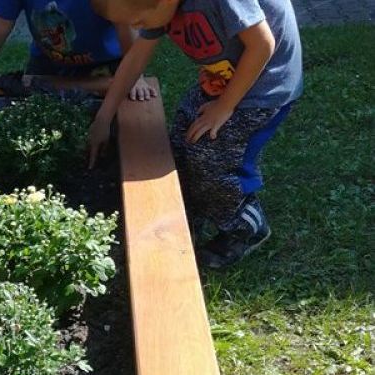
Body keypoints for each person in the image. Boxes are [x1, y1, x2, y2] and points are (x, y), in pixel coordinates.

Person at [88, 0, 302, 268]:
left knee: (209, 157)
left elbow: (262, 45)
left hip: (265, 88)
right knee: (181, 140)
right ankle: (190, 215)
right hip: (223, 82)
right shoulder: (160, 8)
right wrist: (104, 117)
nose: (136, 28)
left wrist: (224, 107)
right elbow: (135, 59)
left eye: (139, 21)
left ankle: (245, 225)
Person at [0, 0, 155, 101]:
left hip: (107, 64)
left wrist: (134, 77)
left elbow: (124, 25)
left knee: (114, 116)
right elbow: (1, 23)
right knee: (35, 113)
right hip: (47, 63)